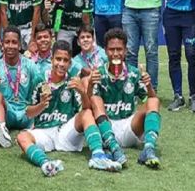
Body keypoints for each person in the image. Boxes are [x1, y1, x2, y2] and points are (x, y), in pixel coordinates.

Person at [16, 40, 122, 177]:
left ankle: (98, 156)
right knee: (22, 137)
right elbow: (28, 112)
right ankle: (46, 164)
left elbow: (86, 110)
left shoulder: (73, 81)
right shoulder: (39, 79)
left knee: (87, 113)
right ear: (51, 59)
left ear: (70, 63)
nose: (61, 64)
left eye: (65, 60)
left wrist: (82, 92)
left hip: (65, 132)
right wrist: (41, 105)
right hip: (44, 131)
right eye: (58, 59)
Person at [89, 28, 162, 169]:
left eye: (119, 49)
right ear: (105, 50)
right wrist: (90, 84)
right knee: (95, 99)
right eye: (111, 49)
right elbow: (87, 106)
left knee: (154, 100)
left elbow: (150, 101)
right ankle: (114, 148)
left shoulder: (134, 73)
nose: (115, 53)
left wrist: (149, 86)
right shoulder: (99, 74)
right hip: (106, 129)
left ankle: (148, 148)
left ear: (126, 51)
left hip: (129, 128)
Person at [0, 26, 43, 148]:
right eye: (7, 42)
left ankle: (37, 125)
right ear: (2, 44)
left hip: (27, 112)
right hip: (7, 114)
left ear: (20, 45)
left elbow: (43, 87)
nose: (10, 46)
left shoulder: (30, 65)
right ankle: (2, 128)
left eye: (14, 42)